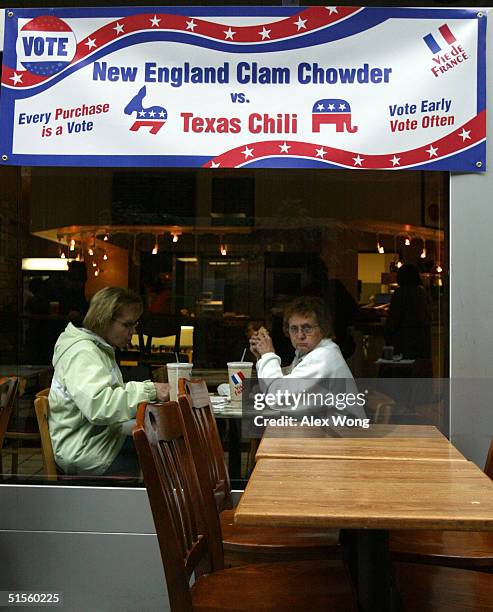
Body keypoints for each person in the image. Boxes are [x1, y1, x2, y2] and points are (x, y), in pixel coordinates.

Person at [48, 286, 169, 476]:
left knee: (163, 443)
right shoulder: (83, 353)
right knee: (165, 454)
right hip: (85, 451)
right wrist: (150, 390)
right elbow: (100, 406)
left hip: (98, 439)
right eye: (127, 325)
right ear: (104, 320)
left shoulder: (97, 348)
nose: (133, 332)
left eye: (134, 325)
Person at [250, 296, 366, 418]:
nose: (300, 335)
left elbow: (277, 398)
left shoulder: (323, 357)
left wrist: (268, 355)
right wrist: (262, 358)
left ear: (322, 329)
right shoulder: (309, 353)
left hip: (344, 435)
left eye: (307, 328)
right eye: (294, 329)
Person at [385, 264, 432, 359]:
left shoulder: (399, 293)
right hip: (421, 338)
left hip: (403, 339)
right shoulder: (423, 293)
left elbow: (394, 318)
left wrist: (388, 333)